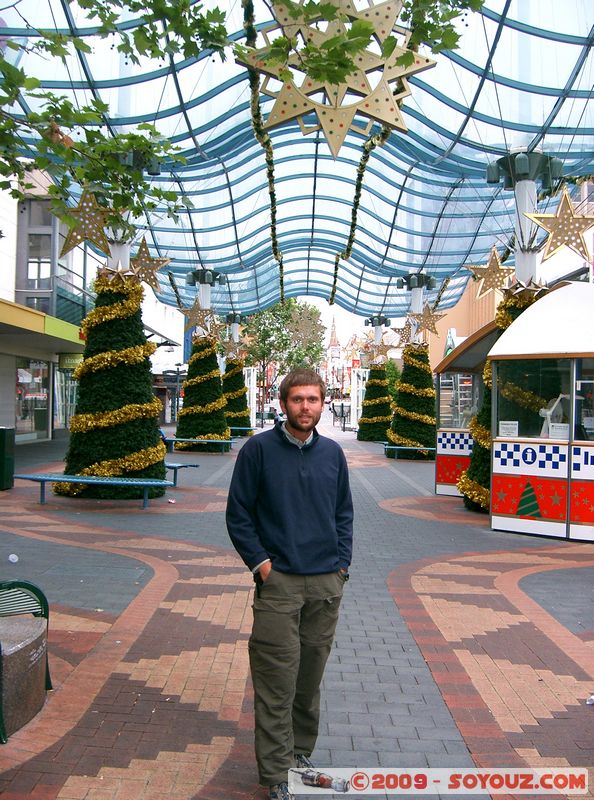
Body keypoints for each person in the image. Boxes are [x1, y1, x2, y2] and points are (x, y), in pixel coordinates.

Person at [226, 368, 353, 800]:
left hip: (325, 584)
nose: (305, 407)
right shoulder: (258, 451)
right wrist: (262, 566)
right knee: (276, 679)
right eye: (297, 400)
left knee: (308, 680)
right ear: (283, 405)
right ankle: (276, 773)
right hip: (279, 584)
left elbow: (344, 514)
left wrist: (342, 566)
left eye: (313, 400)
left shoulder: (333, 454)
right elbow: (238, 515)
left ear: (323, 404)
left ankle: (299, 755)